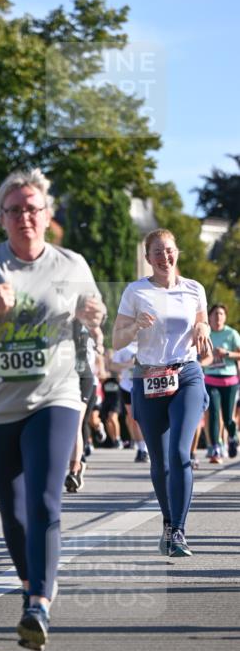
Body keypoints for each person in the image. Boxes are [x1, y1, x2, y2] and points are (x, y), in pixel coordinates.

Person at [0, 168, 105, 651]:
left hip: (55, 396)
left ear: (47, 214)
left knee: (44, 501)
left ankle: (39, 601)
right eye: (14, 210)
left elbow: (94, 316)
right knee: (14, 514)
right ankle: (29, 584)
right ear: (2, 218)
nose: (24, 217)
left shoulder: (71, 264)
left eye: (32, 209)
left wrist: (94, 316)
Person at [113, 228, 212, 558]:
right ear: (148, 258)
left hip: (186, 374)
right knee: (160, 462)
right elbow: (116, 339)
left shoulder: (194, 288)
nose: (164, 256)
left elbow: (201, 322)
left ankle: (179, 531)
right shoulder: (135, 291)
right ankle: (169, 524)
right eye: (157, 252)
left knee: (180, 453)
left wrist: (203, 326)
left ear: (177, 252)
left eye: (168, 250)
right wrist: (134, 326)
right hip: (149, 377)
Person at [65, 321, 103, 492]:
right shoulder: (51, 318)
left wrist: (99, 343)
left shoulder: (83, 318)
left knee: (76, 423)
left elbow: (97, 331)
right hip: (59, 377)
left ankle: (74, 471)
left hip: (83, 376)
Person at [202, 303, 240, 462]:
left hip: (229, 381)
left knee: (228, 417)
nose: (218, 317)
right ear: (209, 317)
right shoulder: (206, 333)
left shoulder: (231, 334)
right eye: (215, 314)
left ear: (225, 317)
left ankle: (232, 436)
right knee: (213, 415)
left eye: (221, 314)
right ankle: (216, 448)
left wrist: (226, 353)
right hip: (210, 379)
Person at [112, 342, 150, 462]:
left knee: (146, 418)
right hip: (127, 387)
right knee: (134, 418)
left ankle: (148, 448)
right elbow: (113, 366)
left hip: (146, 386)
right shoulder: (123, 345)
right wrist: (128, 364)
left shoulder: (149, 342)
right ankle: (142, 449)